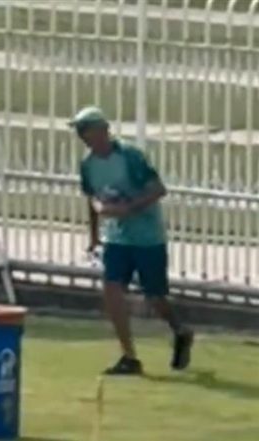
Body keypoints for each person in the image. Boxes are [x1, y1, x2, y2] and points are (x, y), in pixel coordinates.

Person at [70, 106, 194, 375]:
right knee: (111, 289)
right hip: (117, 238)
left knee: (155, 297)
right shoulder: (88, 165)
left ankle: (180, 329)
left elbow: (158, 189)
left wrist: (131, 208)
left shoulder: (129, 156)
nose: (83, 137)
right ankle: (129, 356)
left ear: (102, 130)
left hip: (147, 238)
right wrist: (94, 236)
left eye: (87, 130)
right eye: (80, 132)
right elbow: (91, 198)